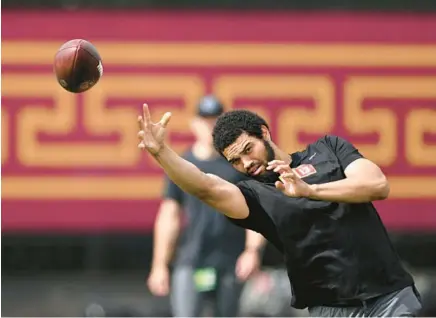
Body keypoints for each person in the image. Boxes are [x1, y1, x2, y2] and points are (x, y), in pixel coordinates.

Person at [137, 105, 422, 317]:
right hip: (331, 309)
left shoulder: (329, 150)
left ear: (264, 133)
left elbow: (377, 184)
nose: (246, 163)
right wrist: (163, 153)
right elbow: (205, 187)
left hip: (391, 297)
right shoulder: (257, 195)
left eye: (248, 149)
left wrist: (310, 191)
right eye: (235, 160)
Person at [146, 96, 266, 317]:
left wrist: (252, 251)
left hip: (230, 261)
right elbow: (169, 216)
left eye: (216, 121)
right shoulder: (182, 165)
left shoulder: (237, 164)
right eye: (206, 120)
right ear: (195, 124)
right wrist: (160, 264)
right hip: (192, 260)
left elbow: (256, 211)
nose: (210, 127)